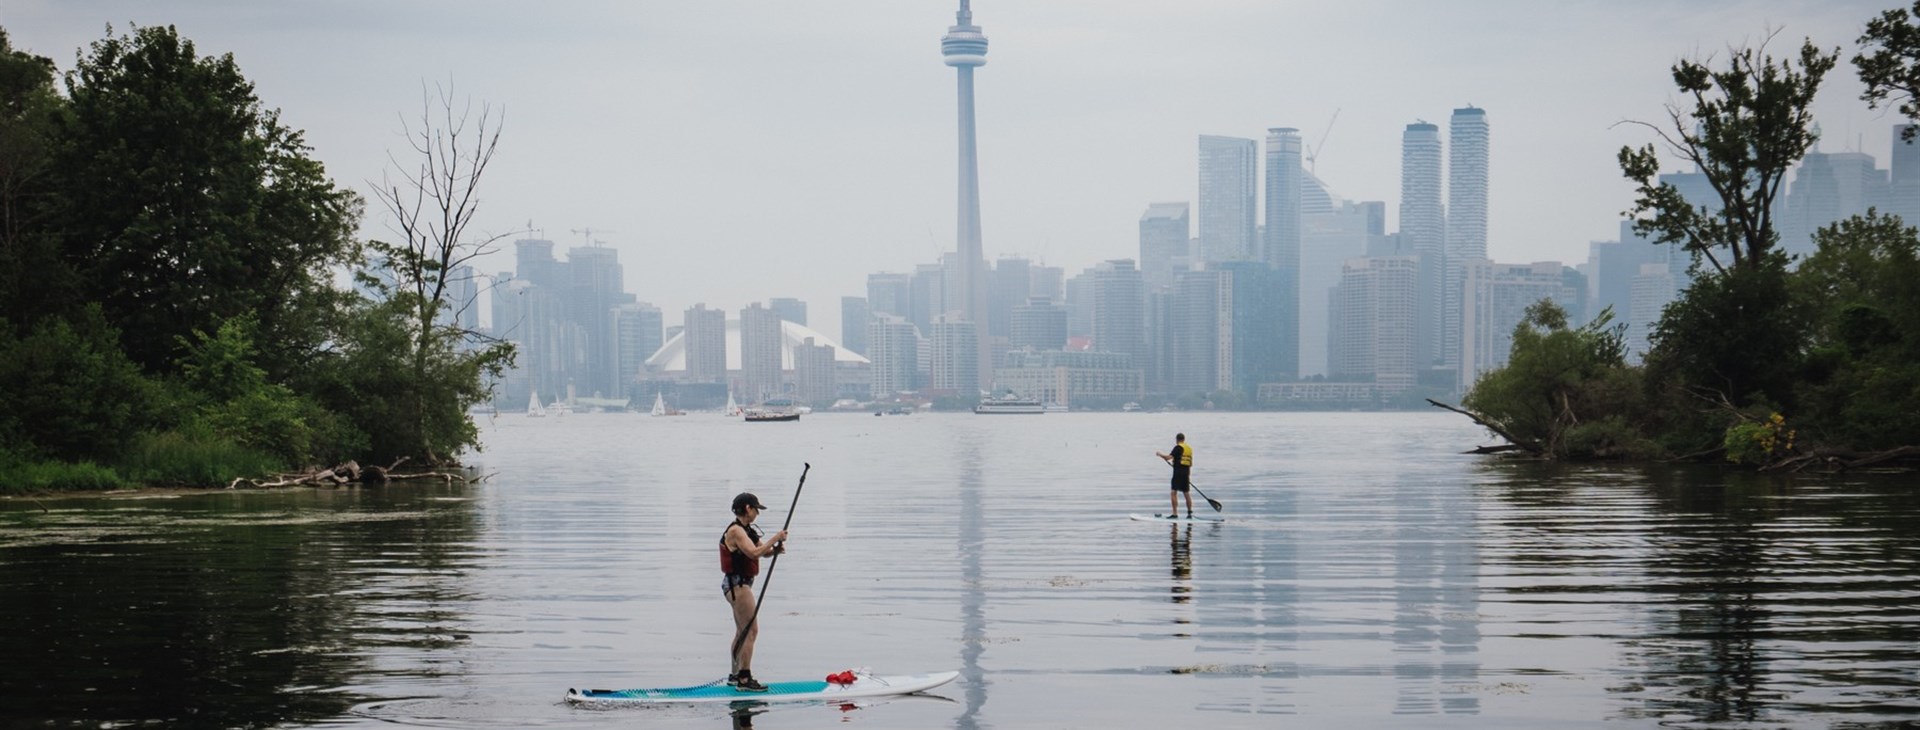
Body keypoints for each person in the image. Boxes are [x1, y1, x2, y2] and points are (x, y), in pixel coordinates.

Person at [721, 491, 787, 692]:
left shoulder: (748, 531)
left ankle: (735, 676)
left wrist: (774, 549)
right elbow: (754, 553)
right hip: (737, 586)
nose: (758, 513)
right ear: (748, 509)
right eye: (756, 509)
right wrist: (775, 537)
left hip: (739, 585)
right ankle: (744, 678)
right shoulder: (736, 531)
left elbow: (763, 552)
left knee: (742, 631)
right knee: (751, 630)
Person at [1155, 433, 1194, 518]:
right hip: (1186, 472)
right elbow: (1189, 463)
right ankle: (1190, 513)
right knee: (1186, 492)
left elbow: (1168, 457)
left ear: (1177, 440)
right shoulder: (1189, 449)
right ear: (1184, 439)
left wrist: (1160, 454)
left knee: (1173, 492)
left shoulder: (1178, 447)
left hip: (1178, 473)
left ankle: (1175, 514)